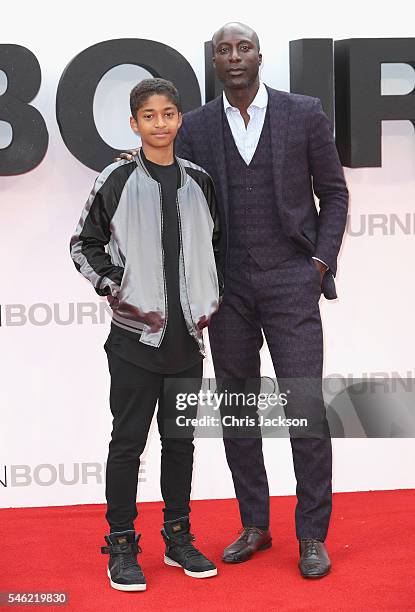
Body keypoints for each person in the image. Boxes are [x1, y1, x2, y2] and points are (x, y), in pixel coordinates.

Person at [121, 22, 349, 578]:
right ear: (214, 63)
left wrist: (318, 264)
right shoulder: (194, 125)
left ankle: (312, 534)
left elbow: (335, 192)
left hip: (292, 282)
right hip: (227, 292)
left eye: (243, 47)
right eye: (223, 50)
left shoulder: (304, 112)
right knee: (239, 411)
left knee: (304, 409)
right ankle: (255, 524)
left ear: (259, 56)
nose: (234, 57)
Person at [70, 78, 223, 591]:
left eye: (169, 113)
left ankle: (178, 538)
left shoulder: (199, 180)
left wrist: (206, 298)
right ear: (134, 124)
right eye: (149, 115)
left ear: (180, 120)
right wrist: (115, 287)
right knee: (128, 443)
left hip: (187, 343)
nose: (161, 123)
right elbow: (83, 244)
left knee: (180, 444)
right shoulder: (115, 177)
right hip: (134, 341)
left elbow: (214, 244)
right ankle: (120, 544)